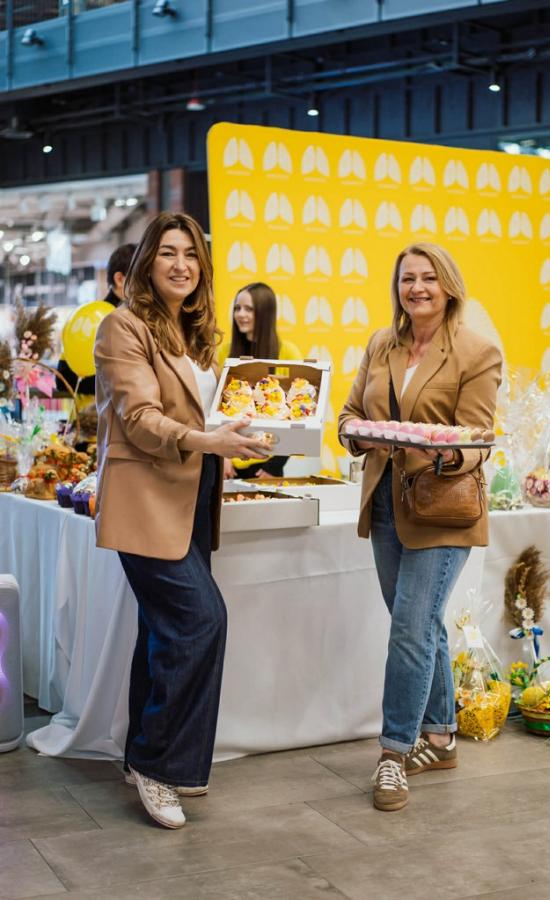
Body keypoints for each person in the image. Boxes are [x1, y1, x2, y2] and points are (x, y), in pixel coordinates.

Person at [93, 212, 269, 829]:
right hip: (144, 500)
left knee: (162, 630)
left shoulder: (194, 335)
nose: (181, 265)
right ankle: (158, 765)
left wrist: (238, 438)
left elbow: (206, 416)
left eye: (191, 254)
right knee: (200, 620)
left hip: (193, 499)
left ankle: (140, 757)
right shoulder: (123, 327)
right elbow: (139, 418)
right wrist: (208, 441)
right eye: (168, 252)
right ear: (147, 261)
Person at [338, 242, 502, 812]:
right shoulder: (381, 344)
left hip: (442, 507)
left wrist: (444, 452)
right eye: (408, 278)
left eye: (428, 278)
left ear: (448, 285)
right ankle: (441, 736)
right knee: (420, 622)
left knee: (410, 628)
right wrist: (359, 435)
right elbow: (349, 415)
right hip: (385, 503)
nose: (417, 288)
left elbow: (478, 439)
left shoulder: (477, 352)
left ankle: (393, 752)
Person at [217, 281, 302, 479]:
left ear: (265, 313)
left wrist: (273, 466)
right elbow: (215, 407)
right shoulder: (224, 352)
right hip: (228, 463)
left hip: (267, 465)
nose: (240, 314)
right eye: (237, 308)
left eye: (249, 309)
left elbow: (297, 415)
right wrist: (222, 456)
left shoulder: (287, 352)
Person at [58, 242, 136, 396]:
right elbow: (63, 380)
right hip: (94, 411)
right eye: (142, 277)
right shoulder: (92, 318)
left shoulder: (137, 317)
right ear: (120, 279)